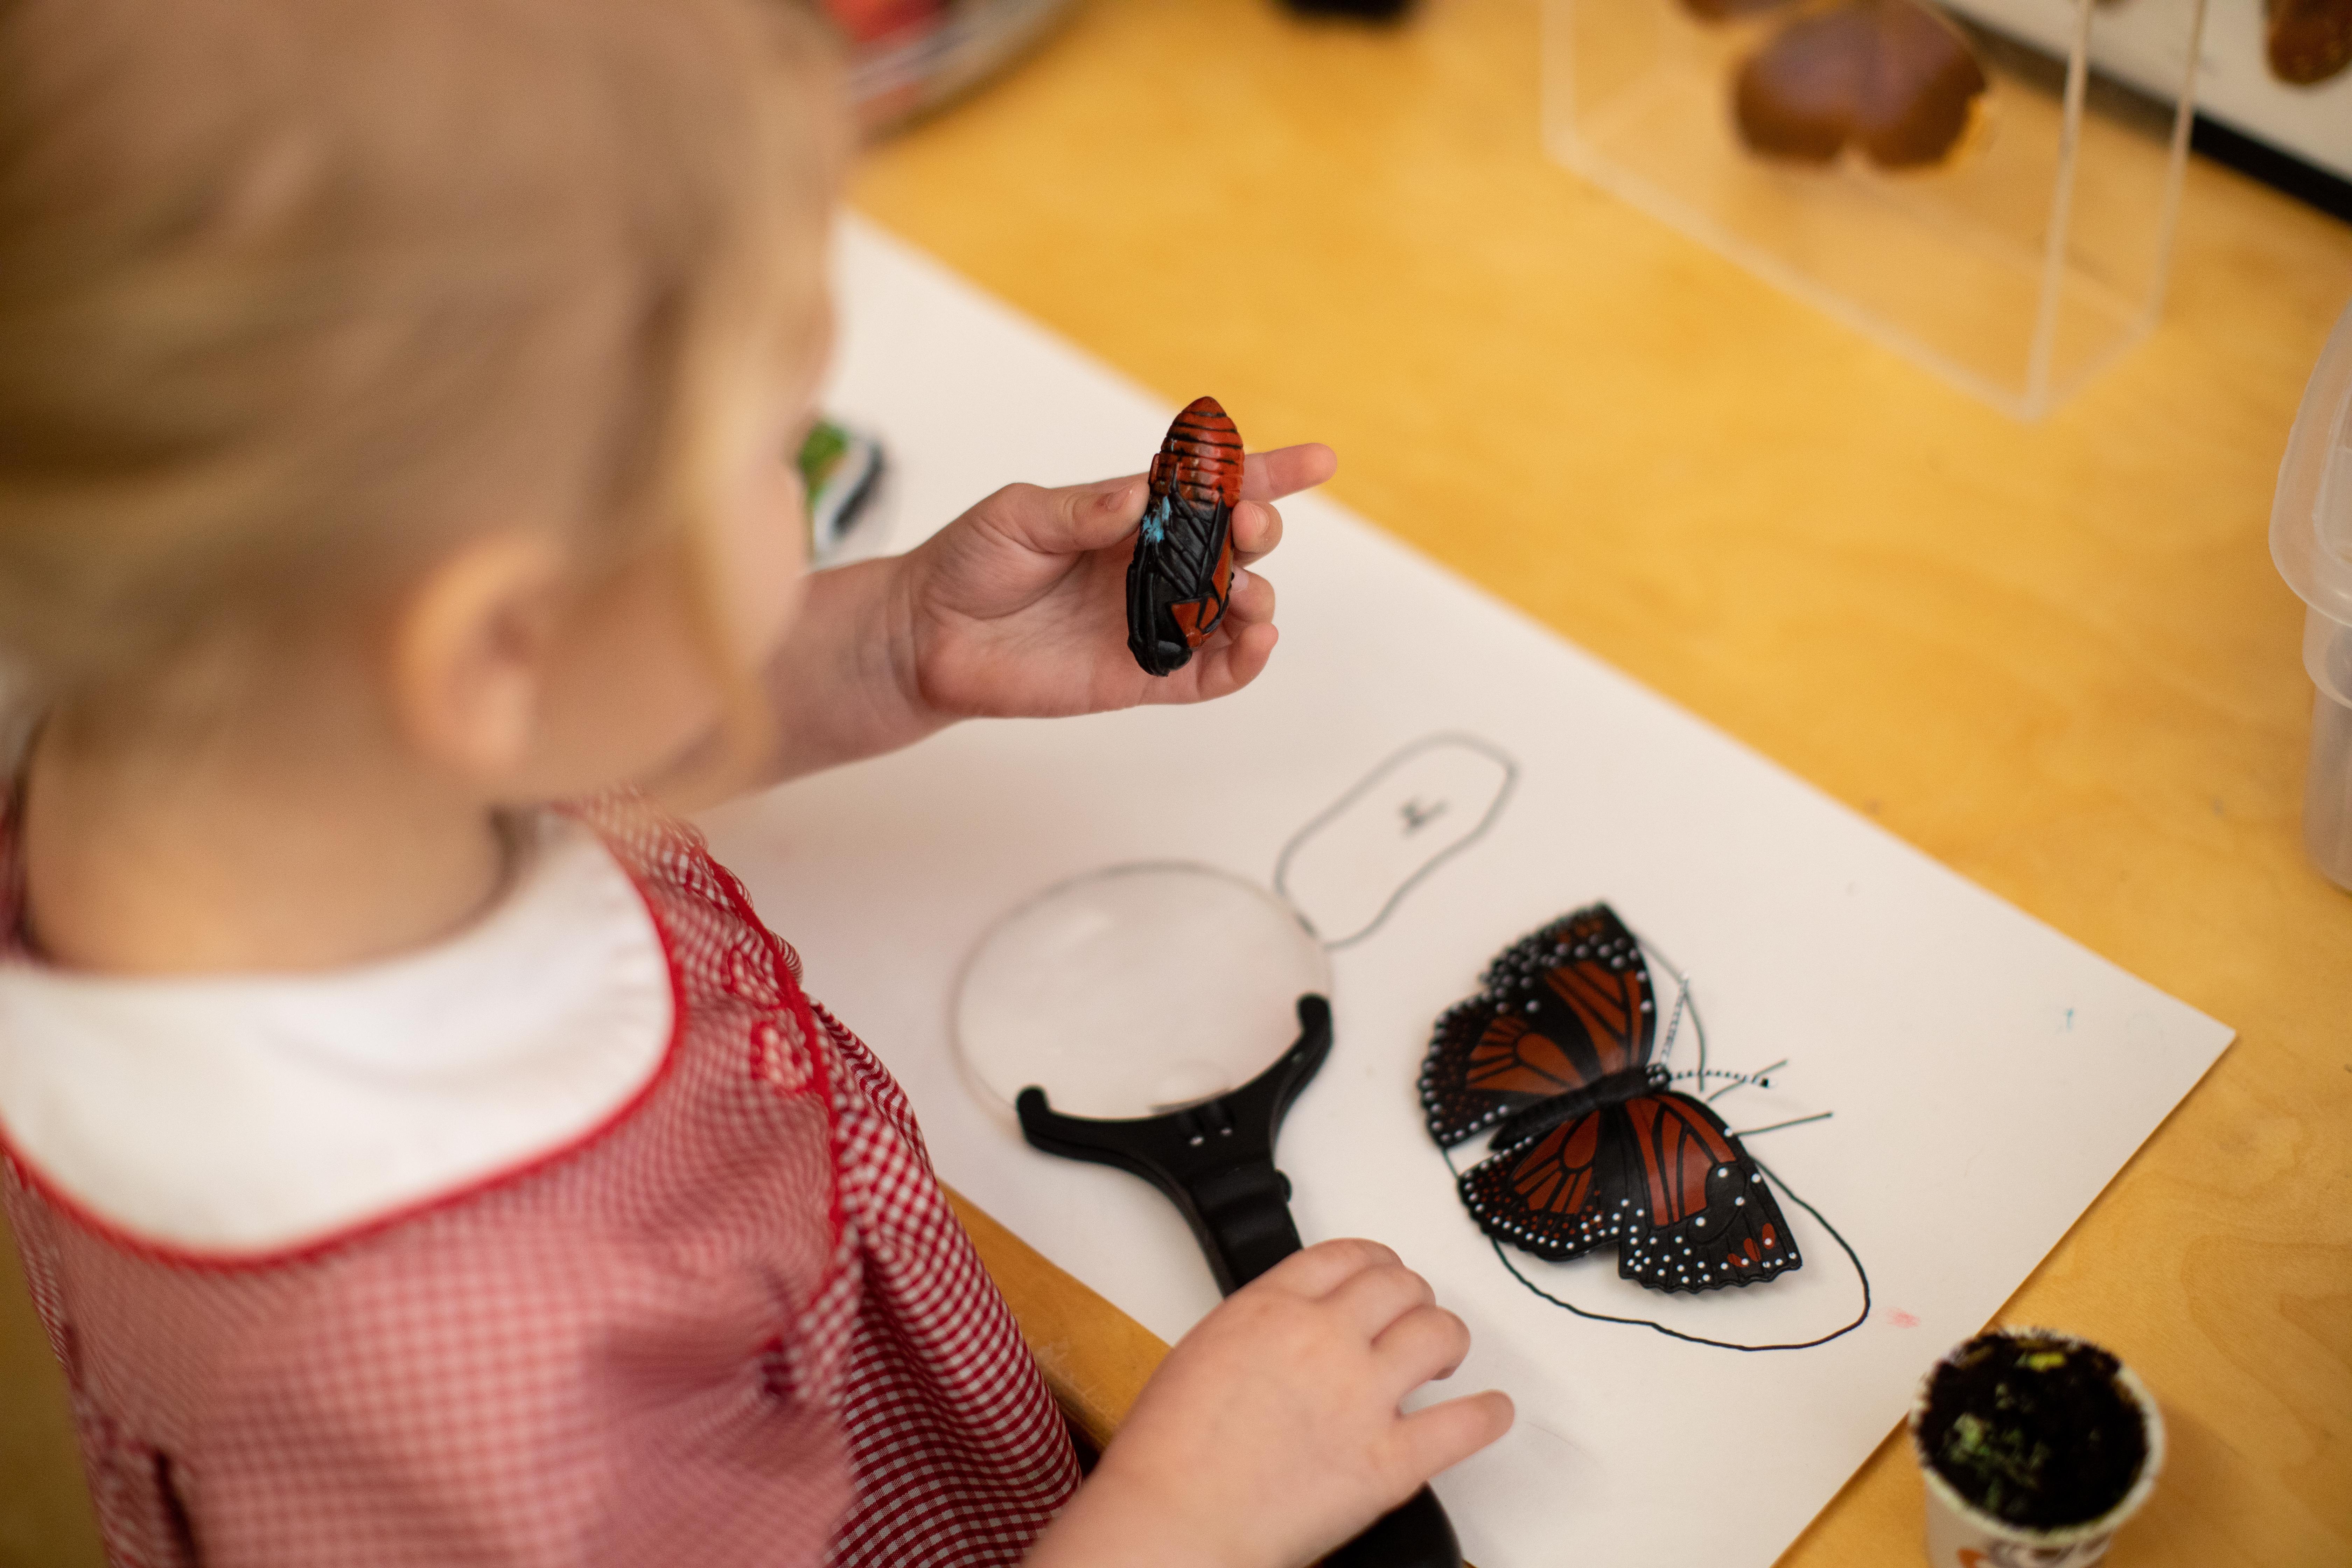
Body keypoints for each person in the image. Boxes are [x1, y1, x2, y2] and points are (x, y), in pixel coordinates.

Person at [0, 0, 1514, 1564]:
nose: (798, 484)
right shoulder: (481, 1378)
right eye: (781, 454)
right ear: (500, 636)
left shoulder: (205, 737)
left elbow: (538, 726)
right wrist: (1188, 1513)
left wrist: (887, 647)